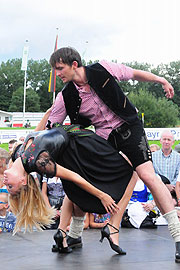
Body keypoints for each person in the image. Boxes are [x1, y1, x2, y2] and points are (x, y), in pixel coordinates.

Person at [47, 47, 180, 263]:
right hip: (104, 138)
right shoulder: (65, 96)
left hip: (130, 126)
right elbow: (53, 125)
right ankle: (74, 233)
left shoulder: (103, 69)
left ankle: (178, 237)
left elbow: (135, 73)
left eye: (60, 68)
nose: (57, 73)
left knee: (147, 176)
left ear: (74, 65)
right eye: (55, 69)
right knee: (82, 176)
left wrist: (161, 80)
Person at [3, 108, 137, 255]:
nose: (5, 181)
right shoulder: (40, 163)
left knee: (73, 190)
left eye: (7, 187)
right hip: (79, 146)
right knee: (132, 171)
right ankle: (113, 226)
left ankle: (62, 232)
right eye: (10, 186)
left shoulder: (18, 153)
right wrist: (102, 195)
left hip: (70, 147)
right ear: (23, 181)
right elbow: (75, 177)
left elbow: (38, 132)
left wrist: (53, 109)